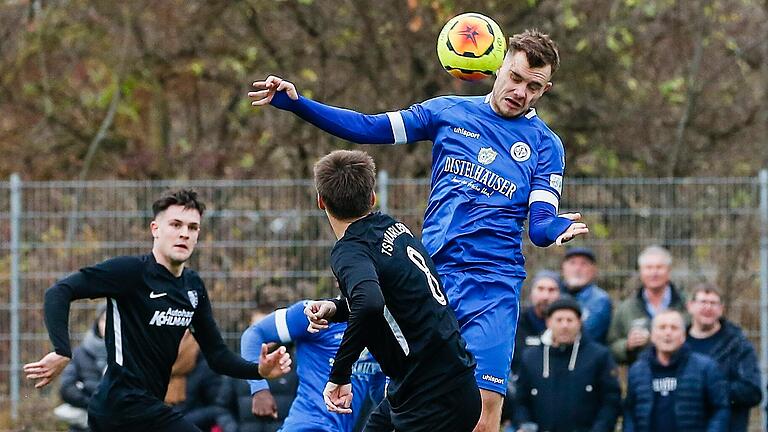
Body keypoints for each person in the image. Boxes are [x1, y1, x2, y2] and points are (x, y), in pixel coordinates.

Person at [250, 29, 588, 431]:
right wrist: (298, 104)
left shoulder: (546, 145)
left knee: (481, 414)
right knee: (407, 397)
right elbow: (367, 127)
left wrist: (556, 231)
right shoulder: (448, 113)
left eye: (534, 87)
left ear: (545, 89)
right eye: (515, 77)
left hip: (492, 287)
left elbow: (540, 226)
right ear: (498, 67)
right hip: (433, 281)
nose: (520, 91)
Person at [24, 189, 292, 432]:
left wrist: (258, 370)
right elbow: (59, 291)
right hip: (118, 405)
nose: (184, 233)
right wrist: (62, 350)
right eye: (175, 225)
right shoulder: (131, 273)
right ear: (155, 229)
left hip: (147, 405)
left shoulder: (192, 287)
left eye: (192, 227)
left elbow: (217, 355)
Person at [303, 150, 481, 431]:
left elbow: (371, 304)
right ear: (372, 197)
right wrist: (336, 308)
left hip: (431, 397)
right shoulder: (391, 226)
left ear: (320, 201)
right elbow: (388, 297)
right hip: (443, 383)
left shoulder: (350, 250)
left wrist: (340, 374)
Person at [240, 300, 385, 431]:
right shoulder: (314, 313)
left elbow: (381, 393)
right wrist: (259, 388)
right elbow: (253, 334)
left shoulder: (381, 330)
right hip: (306, 425)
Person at [513, 297, 620, 432]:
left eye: (570, 320)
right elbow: (520, 401)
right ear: (548, 322)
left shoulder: (599, 356)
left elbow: (610, 401)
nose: (564, 325)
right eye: (559, 320)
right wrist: (524, 425)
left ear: (579, 323)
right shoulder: (530, 357)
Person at [623, 310, 729, 432]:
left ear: (684, 335)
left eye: (674, 328)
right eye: (662, 328)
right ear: (652, 335)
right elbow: (629, 412)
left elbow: (720, 409)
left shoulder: (705, 367)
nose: (668, 333)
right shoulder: (637, 370)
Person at [685, 282, 761, 432]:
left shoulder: (737, 345)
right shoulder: (676, 343)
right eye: (703, 302)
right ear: (690, 306)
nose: (708, 307)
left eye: (713, 303)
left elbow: (752, 392)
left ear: (721, 309)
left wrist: (712, 390)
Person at [607, 245, 686, 364]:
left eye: (659, 267)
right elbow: (611, 347)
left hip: (682, 371)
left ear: (669, 271)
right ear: (640, 272)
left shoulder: (686, 304)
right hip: (642, 375)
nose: (654, 273)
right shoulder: (626, 308)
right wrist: (627, 345)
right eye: (648, 268)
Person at [57, 305, 108, 432]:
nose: (108, 324)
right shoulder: (80, 353)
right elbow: (67, 388)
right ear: (98, 323)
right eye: (104, 320)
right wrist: (92, 403)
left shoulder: (130, 355)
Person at [560, 247, 612, 344]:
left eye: (584, 264)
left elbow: (585, 335)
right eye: (572, 263)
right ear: (563, 268)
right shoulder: (554, 293)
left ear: (593, 270)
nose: (577, 269)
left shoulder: (600, 300)